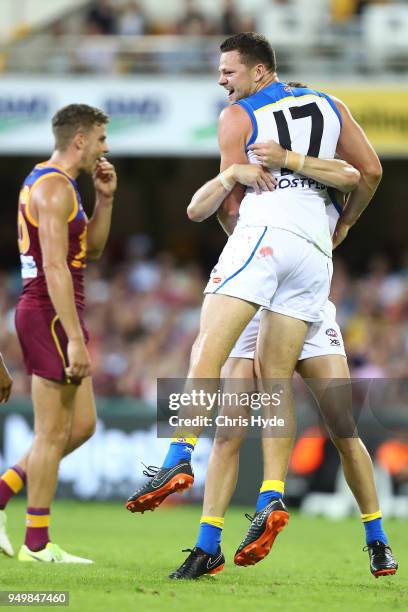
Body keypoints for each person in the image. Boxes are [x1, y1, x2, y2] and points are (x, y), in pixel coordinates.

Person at [127, 32, 357, 516]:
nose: (221, 80)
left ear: (258, 72)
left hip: (261, 245)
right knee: (288, 394)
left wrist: (235, 183)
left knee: (208, 357)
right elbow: (366, 173)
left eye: (228, 71)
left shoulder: (241, 116)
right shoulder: (328, 105)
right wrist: (345, 222)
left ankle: (178, 457)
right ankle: (279, 498)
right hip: (315, 256)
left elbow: (210, 209)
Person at [168, 145, 396, 580]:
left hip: (306, 308)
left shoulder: (325, 174)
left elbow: (365, 174)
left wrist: (343, 221)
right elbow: (205, 212)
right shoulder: (255, 177)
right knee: (227, 432)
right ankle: (206, 546)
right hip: (252, 307)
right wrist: (233, 176)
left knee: (343, 428)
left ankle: (377, 538)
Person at [0, 103, 117, 563]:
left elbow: (92, 252)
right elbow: (52, 266)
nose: (106, 149)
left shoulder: (62, 185)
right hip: (49, 313)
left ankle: (4, 493)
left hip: (57, 310)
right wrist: (72, 336)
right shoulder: (52, 189)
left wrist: (105, 199)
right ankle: (36, 543)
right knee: (50, 434)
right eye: (102, 139)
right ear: (81, 140)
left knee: (82, 426)